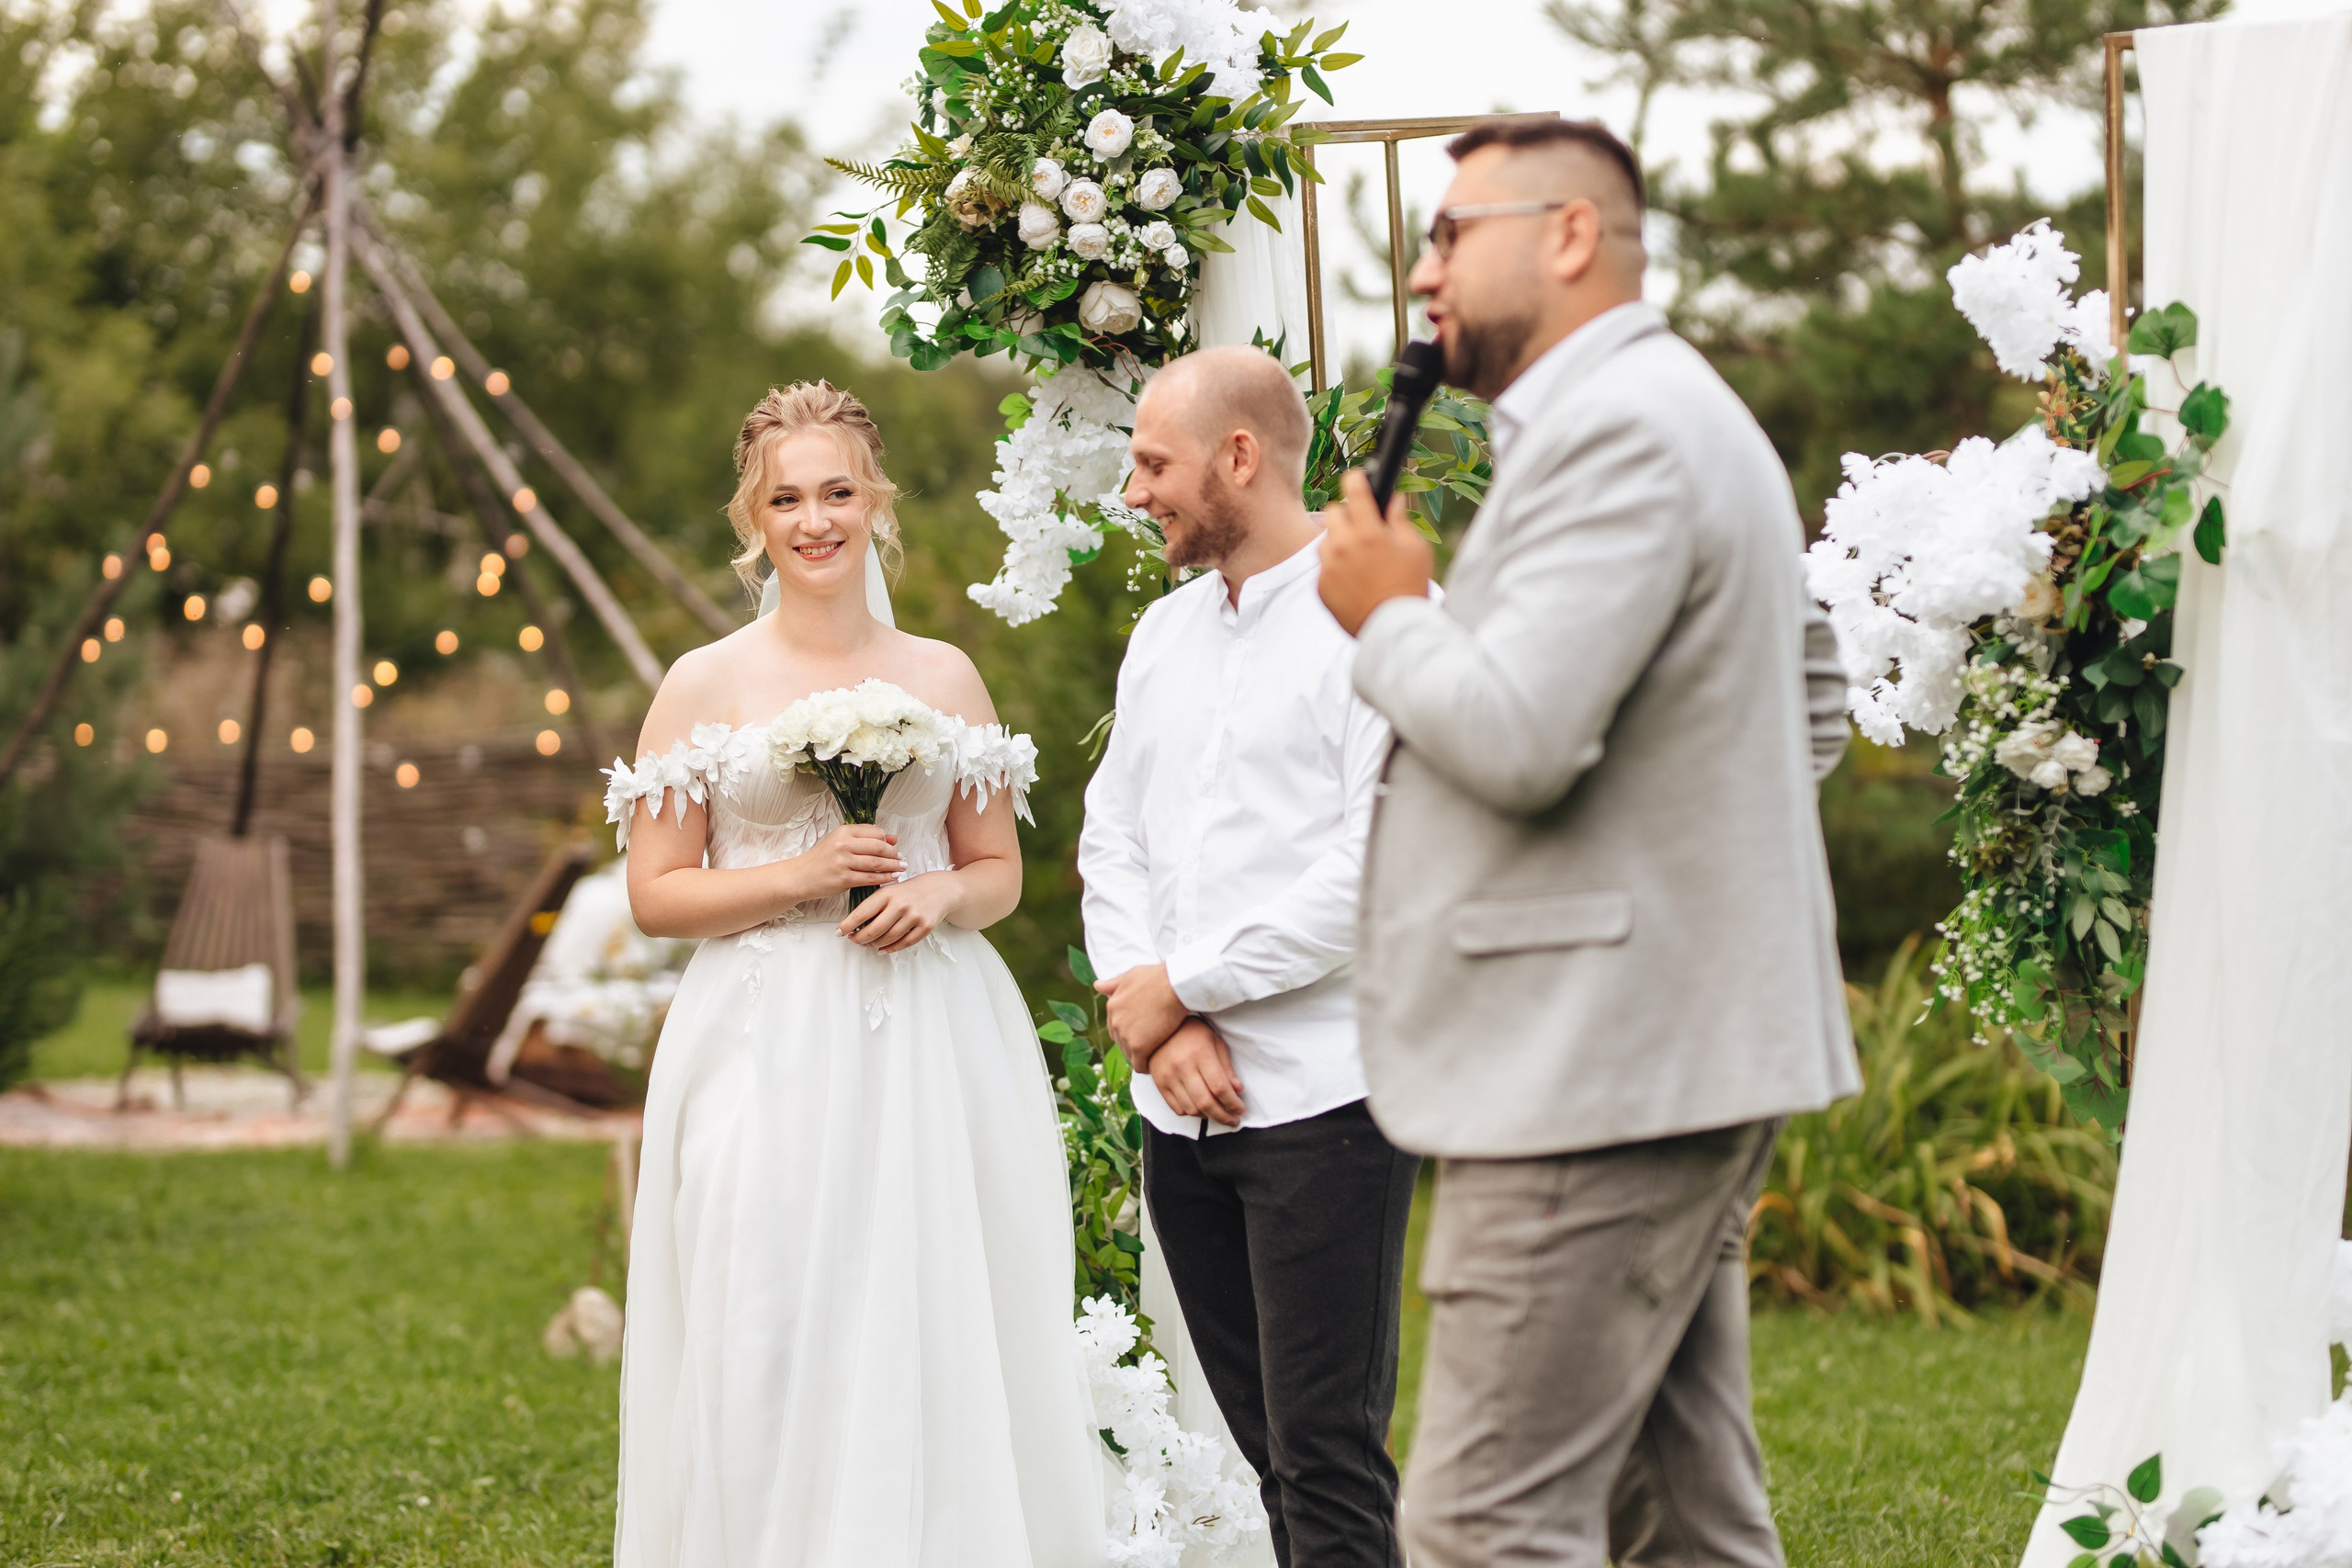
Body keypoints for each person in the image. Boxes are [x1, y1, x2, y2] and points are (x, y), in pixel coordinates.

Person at [1316, 118, 1859, 1567]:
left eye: (1449, 235)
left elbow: (1516, 737)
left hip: (1593, 1068)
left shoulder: (1623, 431)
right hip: (1657, 1040)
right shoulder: (1669, 413)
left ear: (1567, 235)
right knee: (1678, 1519)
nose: (1424, 273)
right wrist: (1699, 861)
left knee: (1486, 1526)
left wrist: (1389, 613)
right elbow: (1809, 696)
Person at [606, 382, 1102, 1567]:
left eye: (838, 492)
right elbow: (655, 894)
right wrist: (805, 873)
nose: (815, 520)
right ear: (753, 518)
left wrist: (938, 894)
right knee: (765, 1310)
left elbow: (997, 870)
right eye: (787, 498)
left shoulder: (942, 677)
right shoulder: (703, 683)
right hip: (761, 1039)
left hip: (930, 1034)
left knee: (932, 1307)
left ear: (876, 504)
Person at [1079, 344, 1420, 1568]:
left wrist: (1192, 983)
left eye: (1152, 463)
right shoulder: (1164, 636)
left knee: (1328, 1461)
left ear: (1240, 457)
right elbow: (1110, 834)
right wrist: (1158, 1018)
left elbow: (1378, 870)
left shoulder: (1374, 625)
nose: (1134, 493)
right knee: (1266, 1456)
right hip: (1181, 1115)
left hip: (1326, 1107)